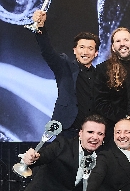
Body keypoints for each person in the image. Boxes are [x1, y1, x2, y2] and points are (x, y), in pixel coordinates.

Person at [31, 9, 100, 137]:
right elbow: (48, 52)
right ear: (75, 50)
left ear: (96, 53)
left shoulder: (100, 76)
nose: (85, 52)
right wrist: (41, 29)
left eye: (90, 48)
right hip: (65, 128)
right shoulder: (64, 67)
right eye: (81, 47)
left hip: (91, 132)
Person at [95, 27, 130, 136]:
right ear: (113, 47)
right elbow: (101, 104)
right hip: (117, 130)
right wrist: (129, 121)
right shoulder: (103, 69)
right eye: (118, 41)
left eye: (126, 40)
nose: (122, 44)